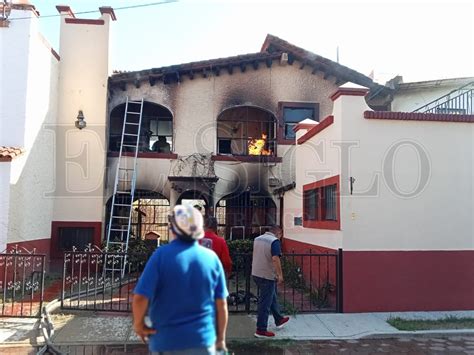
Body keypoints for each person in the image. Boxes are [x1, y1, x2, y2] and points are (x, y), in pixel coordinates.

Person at [132, 205, 229, 354]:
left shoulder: (161, 255)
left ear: (173, 229)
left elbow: (140, 298)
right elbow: (221, 304)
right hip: (203, 342)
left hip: (166, 341)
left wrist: (139, 325)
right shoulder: (211, 259)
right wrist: (220, 339)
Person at [251, 225, 289, 338]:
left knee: (271, 296)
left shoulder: (258, 239)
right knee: (265, 303)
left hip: (256, 273)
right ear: (279, 233)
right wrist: (280, 275)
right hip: (266, 275)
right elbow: (275, 258)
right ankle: (261, 330)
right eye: (281, 235)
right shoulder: (274, 241)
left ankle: (279, 319)